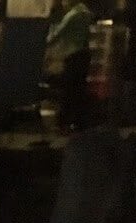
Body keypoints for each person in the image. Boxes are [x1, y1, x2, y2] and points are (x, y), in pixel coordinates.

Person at [45, 0, 95, 130]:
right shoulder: (85, 12)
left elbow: (56, 35)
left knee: (68, 90)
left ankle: (64, 122)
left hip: (73, 55)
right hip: (84, 54)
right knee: (79, 90)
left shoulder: (72, 15)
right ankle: (80, 122)